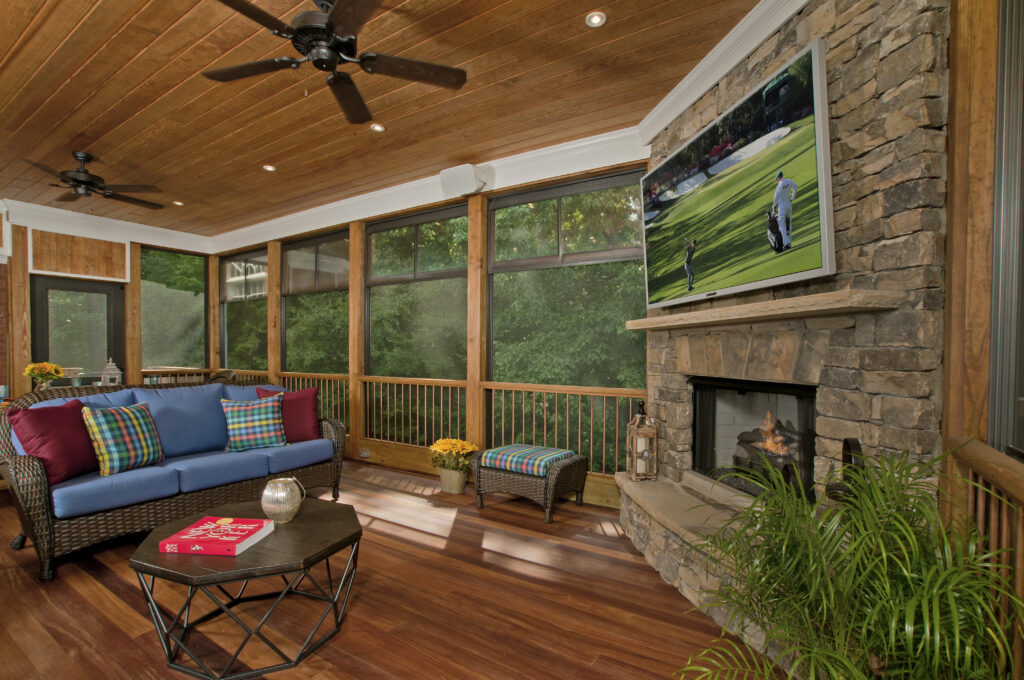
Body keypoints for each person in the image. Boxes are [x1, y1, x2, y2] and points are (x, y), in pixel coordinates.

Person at [772, 170, 798, 250]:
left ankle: (786, 243)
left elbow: (775, 199)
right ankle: (789, 243)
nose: (777, 180)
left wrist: (774, 207)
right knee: (789, 224)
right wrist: (792, 198)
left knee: (782, 224)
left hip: (782, 207)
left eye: (776, 179)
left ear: (778, 178)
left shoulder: (779, 186)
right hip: (789, 205)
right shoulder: (788, 181)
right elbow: (796, 187)